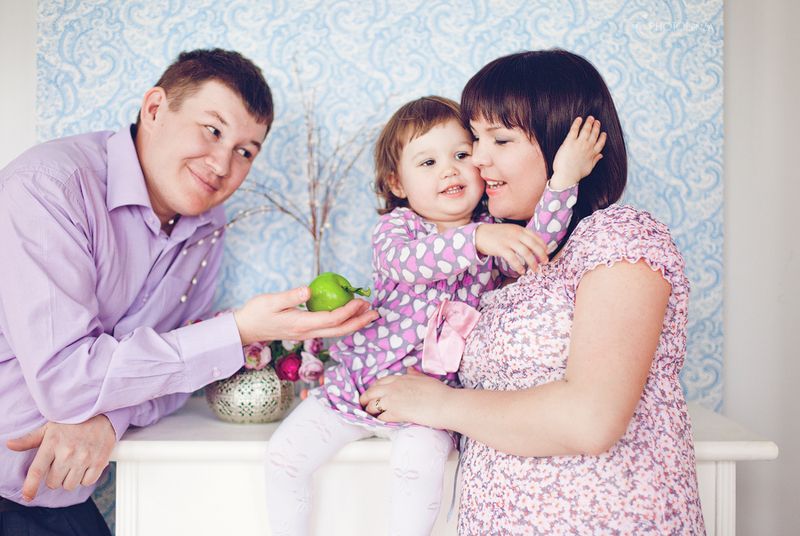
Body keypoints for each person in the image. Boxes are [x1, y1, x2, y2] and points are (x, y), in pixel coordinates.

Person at [0, 48, 377, 534]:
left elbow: (176, 379)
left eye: (245, 151)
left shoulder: (206, 223)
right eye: (213, 130)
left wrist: (109, 419)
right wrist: (238, 331)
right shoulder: (48, 188)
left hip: (61, 495)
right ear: (155, 109)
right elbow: (67, 382)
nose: (222, 164)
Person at [360, 49, 706, 534]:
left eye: (499, 139)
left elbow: (590, 419)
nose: (478, 159)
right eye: (475, 139)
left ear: (562, 141)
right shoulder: (507, 263)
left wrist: (436, 404)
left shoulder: (619, 237)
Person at [264, 95, 604, 535]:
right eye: (428, 162)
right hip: (357, 385)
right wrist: (476, 239)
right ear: (397, 182)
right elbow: (410, 263)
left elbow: (535, 246)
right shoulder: (398, 229)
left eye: (462, 155)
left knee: (418, 468)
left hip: (433, 400)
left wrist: (564, 178)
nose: (449, 170)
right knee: (284, 456)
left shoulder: (494, 232)